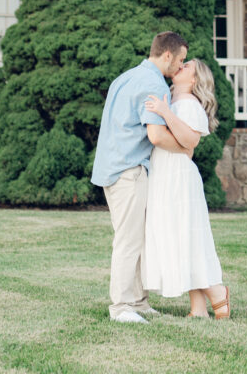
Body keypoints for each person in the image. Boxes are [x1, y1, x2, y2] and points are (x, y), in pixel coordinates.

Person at [91, 31, 189, 324]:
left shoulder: (126, 77)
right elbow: (157, 135)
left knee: (137, 239)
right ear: (168, 55)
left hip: (113, 166)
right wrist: (187, 146)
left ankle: (138, 302)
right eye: (180, 60)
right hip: (128, 170)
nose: (181, 67)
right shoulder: (153, 83)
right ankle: (121, 307)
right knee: (129, 241)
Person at [142, 58, 230, 319]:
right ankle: (198, 309)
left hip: (178, 175)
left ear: (194, 80)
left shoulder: (189, 105)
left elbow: (190, 141)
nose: (181, 66)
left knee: (183, 235)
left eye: (187, 66)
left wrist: (165, 112)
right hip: (166, 171)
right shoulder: (174, 99)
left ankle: (217, 292)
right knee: (183, 236)